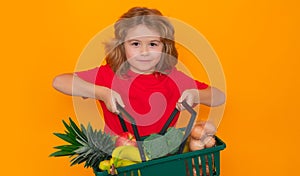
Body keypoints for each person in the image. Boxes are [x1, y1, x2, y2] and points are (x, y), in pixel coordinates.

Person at [52, 7, 225, 136]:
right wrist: (102, 93)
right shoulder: (109, 75)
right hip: (119, 160)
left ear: (164, 47)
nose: (144, 52)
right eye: (135, 44)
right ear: (122, 46)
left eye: (153, 44)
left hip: (164, 160)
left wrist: (195, 95)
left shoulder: (172, 78)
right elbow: (59, 81)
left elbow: (219, 97)